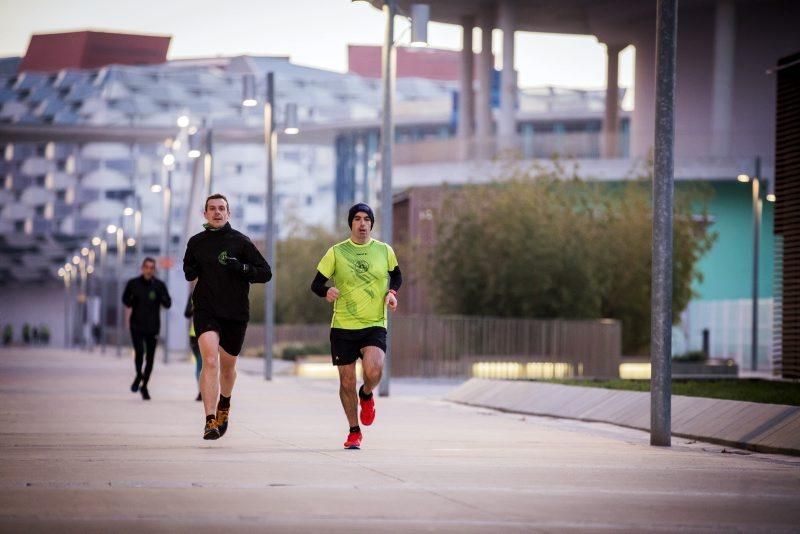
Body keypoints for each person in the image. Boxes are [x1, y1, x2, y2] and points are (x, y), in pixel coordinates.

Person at [310, 203, 402, 449]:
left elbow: (397, 275)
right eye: (357, 219)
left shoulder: (384, 250)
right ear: (350, 223)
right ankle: (353, 431)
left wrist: (391, 292)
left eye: (367, 219)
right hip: (343, 325)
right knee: (346, 381)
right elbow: (316, 284)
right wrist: (326, 291)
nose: (362, 224)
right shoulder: (336, 252)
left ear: (372, 224)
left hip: (374, 323)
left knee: (374, 370)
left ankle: (367, 394)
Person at [183, 193, 271, 440]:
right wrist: (191, 269)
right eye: (212, 209)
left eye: (222, 208)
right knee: (210, 361)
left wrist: (241, 268)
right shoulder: (196, 242)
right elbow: (188, 271)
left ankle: (225, 403)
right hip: (206, 309)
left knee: (228, 368)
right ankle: (210, 420)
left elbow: (265, 273)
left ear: (228, 213)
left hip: (235, 312)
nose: (217, 212)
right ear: (205, 214)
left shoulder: (241, 242)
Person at [122, 257, 172, 400]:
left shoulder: (159, 285)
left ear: (154, 269)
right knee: (139, 352)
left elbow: (168, 303)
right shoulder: (133, 284)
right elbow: (125, 299)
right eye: (147, 267)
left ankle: (144, 386)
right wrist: (131, 301)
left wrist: (162, 298)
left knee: (150, 358)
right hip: (136, 325)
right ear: (142, 268)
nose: (149, 270)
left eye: (152, 268)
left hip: (153, 326)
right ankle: (139, 375)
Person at [184, 292, 203, 402]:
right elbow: (186, 314)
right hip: (194, 334)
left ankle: (202, 391)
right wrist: (194, 308)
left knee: (203, 363)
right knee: (200, 364)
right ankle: (201, 391)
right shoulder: (192, 294)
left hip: (208, 333)